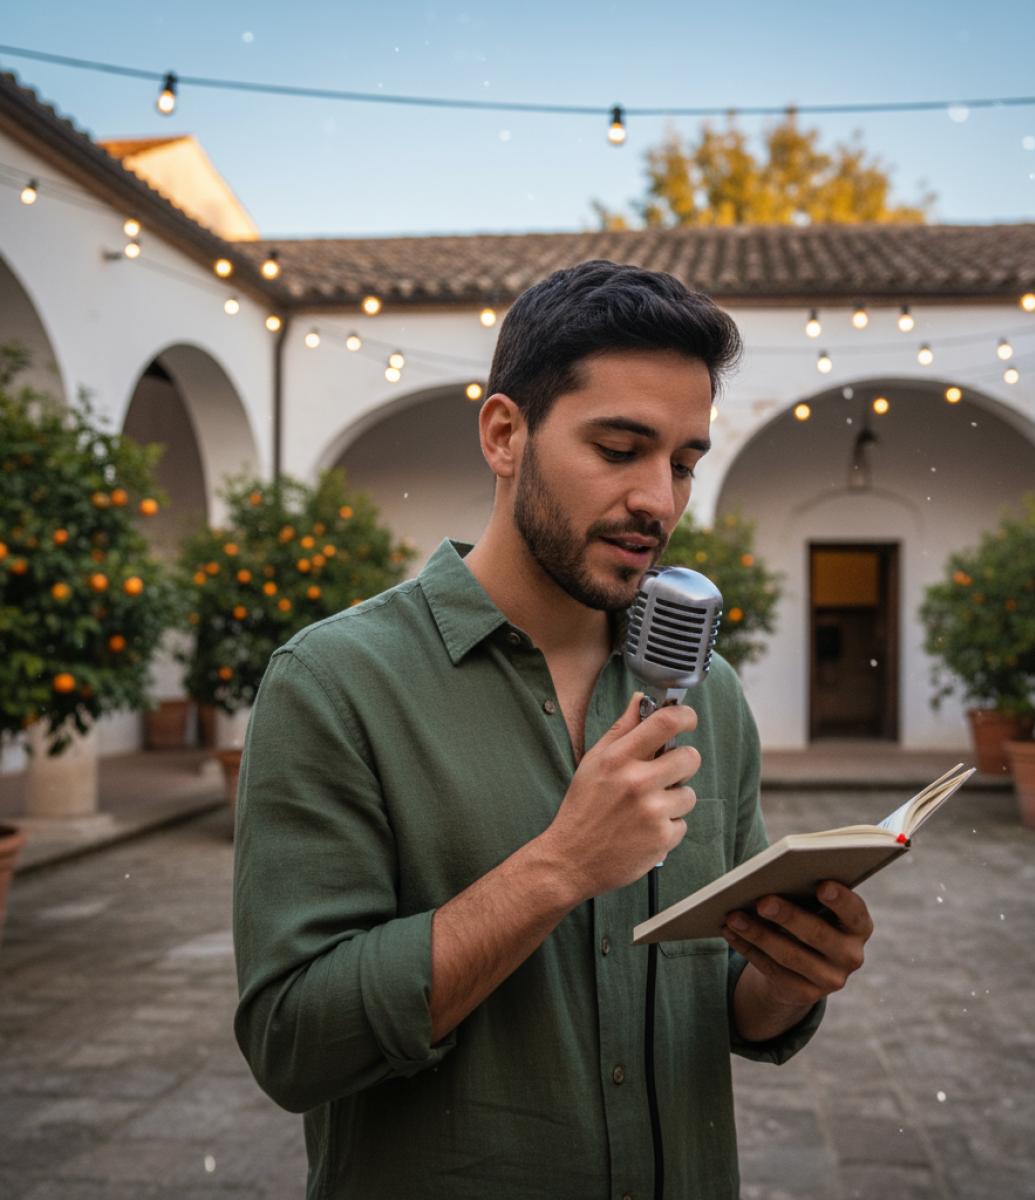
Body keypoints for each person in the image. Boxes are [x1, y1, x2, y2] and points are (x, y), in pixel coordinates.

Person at [232, 259, 874, 1199]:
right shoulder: (335, 684)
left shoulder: (712, 697)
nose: (660, 499)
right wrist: (561, 865)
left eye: (684, 463)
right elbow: (295, 1042)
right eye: (620, 449)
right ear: (505, 434)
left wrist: (789, 978)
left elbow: (728, 999)